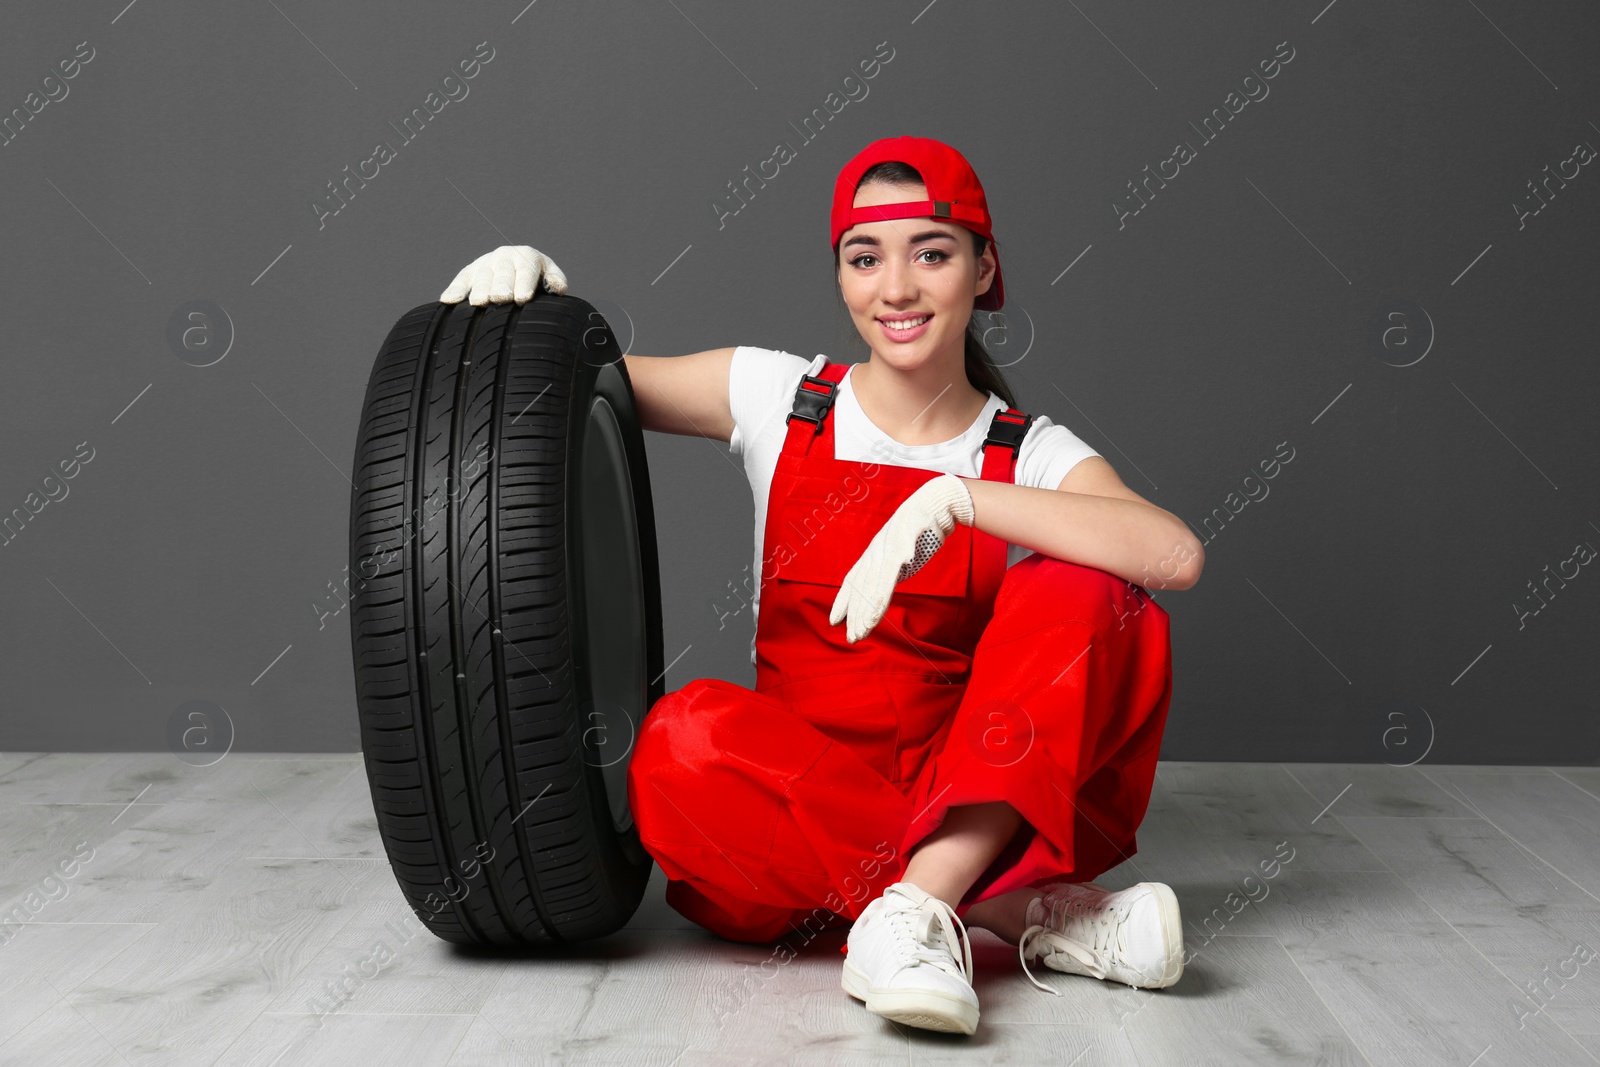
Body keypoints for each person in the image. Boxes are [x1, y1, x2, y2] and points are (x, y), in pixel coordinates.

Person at [438, 135, 1204, 1037]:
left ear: (983, 267)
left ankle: (917, 913)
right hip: (784, 797)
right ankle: (1014, 909)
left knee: (1094, 588)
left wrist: (959, 499)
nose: (898, 289)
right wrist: (532, 309)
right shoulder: (776, 394)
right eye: (865, 257)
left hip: (971, 779)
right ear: (840, 278)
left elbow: (1172, 555)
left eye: (932, 252)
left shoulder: (1028, 453)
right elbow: (577, 387)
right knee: (676, 744)